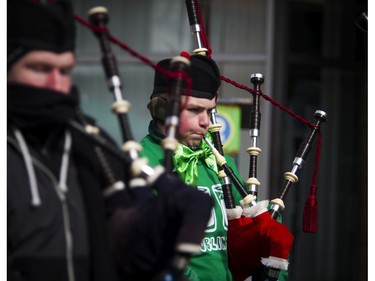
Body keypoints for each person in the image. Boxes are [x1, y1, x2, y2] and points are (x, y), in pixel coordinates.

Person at [7, 1, 213, 281]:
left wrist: (150, 238)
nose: (57, 84)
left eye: (65, 71)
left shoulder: (92, 144)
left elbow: (123, 263)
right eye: (40, 68)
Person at [140, 54, 292, 281]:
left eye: (210, 111)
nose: (206, 122)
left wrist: (268, 256)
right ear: (162, 109)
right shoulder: (140, 162)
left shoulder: (219, 160)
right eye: (194, 110)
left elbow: (245, 233)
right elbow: (149, 252)